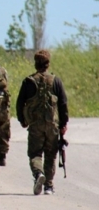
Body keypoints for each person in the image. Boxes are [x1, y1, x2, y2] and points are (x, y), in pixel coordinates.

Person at [16, 49, 68, 195]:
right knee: (51, 154)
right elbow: (63, 103)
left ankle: (39, 174)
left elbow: (20, 103)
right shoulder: (55, 81)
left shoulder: (28, 81)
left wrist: (22, 119)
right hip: (52, 125)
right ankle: (49, 186)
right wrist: (63, 124)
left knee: (35, 153)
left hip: (35, 125)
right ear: (48, 64)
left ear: (35, 64)